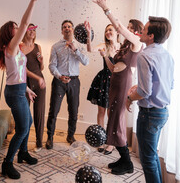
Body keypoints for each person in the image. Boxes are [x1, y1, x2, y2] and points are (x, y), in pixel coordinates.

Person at [0, 0, 42, 179]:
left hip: (19, 89)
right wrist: (33, 0)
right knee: (22, 127)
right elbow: (25, 23)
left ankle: (22, 154)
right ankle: (7, 164)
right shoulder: (11, 46)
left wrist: (27, 90)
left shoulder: (17, 50)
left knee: (27, 122)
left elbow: (20, 71)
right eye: (15, 28)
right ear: (10, 32)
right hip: (14, 93)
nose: (19, 29)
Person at [93, 0, 144, 175]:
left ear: (137, 32)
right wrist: (106, 57)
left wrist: (105, 8)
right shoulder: (124, 47)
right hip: (115, 83)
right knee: (114, 119)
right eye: (127, 28)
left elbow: (119, 27)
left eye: (130, 29)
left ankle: (127, 163)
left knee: (116, 121)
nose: (126, 30)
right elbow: (113, 67)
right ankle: (123, 159)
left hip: (123, 85)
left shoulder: (136, 43)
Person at [126, 16, 174, 183]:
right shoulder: (167, 56)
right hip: (162, 113)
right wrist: (138, 87)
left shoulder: (144, 56)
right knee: (152, 157)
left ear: (151, 36)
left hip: (149, 115)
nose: (141, 32)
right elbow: (167, 84)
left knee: (148, 160)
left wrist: (129, 97)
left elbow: (145, 92)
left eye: (144, 30)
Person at [45, 20, 89, 149]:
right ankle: (50, 137)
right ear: (61, 31)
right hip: (59, 81)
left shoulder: (79, 46)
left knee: (74, 111)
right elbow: (52, 65)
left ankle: (70, 136)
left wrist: (75, 50)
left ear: (73, 29)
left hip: (74, 82)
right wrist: (59, 76)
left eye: (69, 26)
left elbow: (86, 62)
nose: (67, 29)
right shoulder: (56, 46)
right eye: (64, 27)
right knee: (54, 111)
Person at [84, 21, 120, 155]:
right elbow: (90, 49)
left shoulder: (122, 47)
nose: (108, 33)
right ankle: (101, 139)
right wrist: (88, 34)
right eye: (106, 31)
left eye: (110, 30)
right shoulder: (103, 46)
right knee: (101, 111)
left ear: (116, 32)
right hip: (103, 80)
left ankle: (110, 142)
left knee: (111, 113)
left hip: (116, 82)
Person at [20, 23, 46, 152]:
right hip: (26, 84)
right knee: (25, 114)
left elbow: (41, 68)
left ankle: (39, 143)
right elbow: (21, 69)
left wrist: (41, 62)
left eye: (34, 30)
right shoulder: (20, 47)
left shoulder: (38, 47)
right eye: (30, 29)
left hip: (40, 84)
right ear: (25, 32)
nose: (33, 32)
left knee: (39, 113)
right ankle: (22, 142)